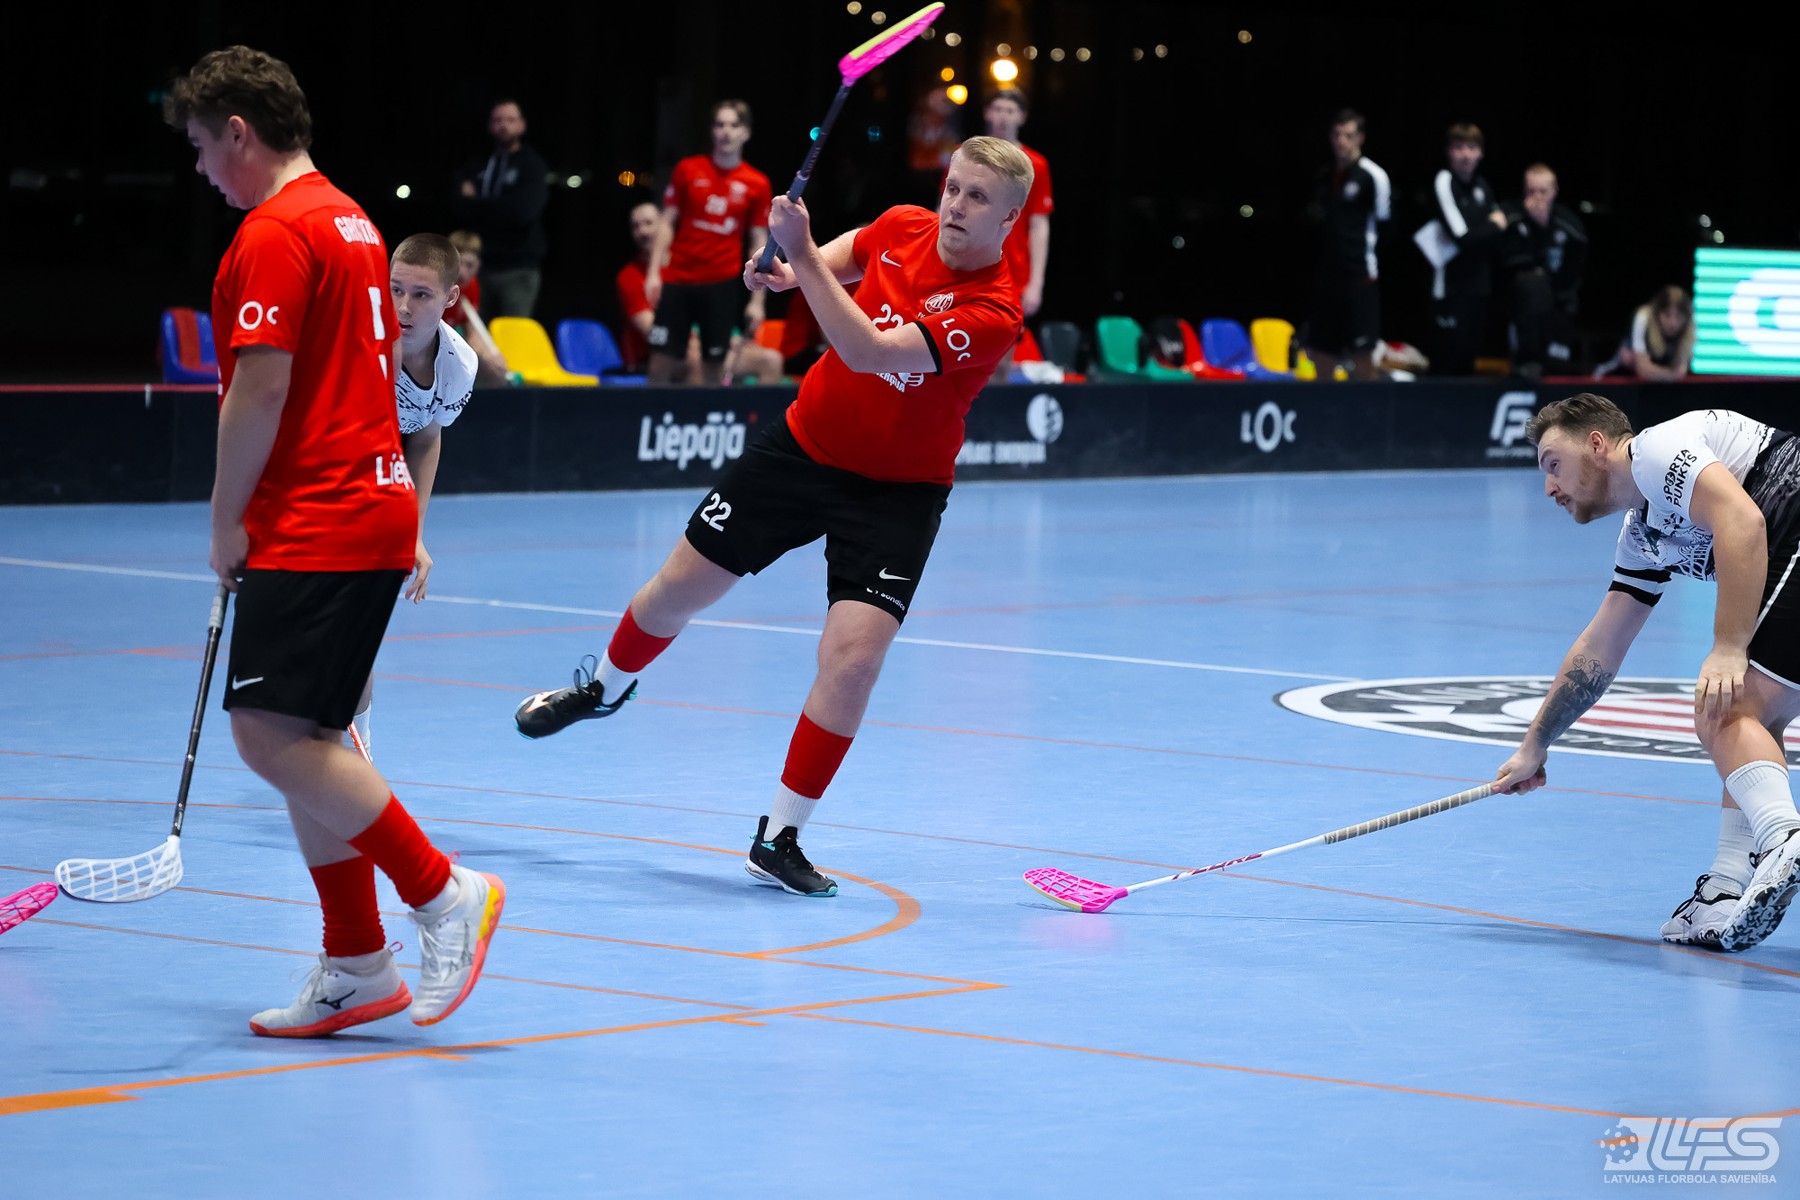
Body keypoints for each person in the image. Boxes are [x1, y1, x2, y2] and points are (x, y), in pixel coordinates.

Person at [512, 136, 1033, 896]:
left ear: (1010, 218)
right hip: (802, 448)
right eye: (953, 187)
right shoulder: (901, 225)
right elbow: (833, 261)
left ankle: (780, 837)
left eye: (977, 197)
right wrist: (786, 267)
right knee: (676, 590)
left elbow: (867, 350)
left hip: (897, 494)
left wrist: (803, 256)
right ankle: (602, 689)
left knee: (853, 661)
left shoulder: (995, 309)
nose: (955, 205)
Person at [168, 46, 504, 1036]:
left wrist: (226, 516)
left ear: (239, 131)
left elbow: (260, 385)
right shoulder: (353, 219)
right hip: (366, 506)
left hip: (322, 513)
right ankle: (358, 962)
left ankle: (443, 893)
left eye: (202, 146)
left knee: (268, 735)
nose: (201, 168)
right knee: (309, 738)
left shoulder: (277, 229)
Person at [1494, 394, 1800, 952]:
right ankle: (1726, 887)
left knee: (1727, 706)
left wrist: (1728, 646)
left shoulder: (1655, 453)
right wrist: (1535, 745)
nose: (1549, 488)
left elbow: (1743, 520)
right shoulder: (1643, 534)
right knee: (1752, 720)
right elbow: (1601, 646)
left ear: (1596, 444)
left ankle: (1782, 838)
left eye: (1553, 465)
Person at [348, 233, 480, 756]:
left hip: (381, 476)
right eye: (395, 289)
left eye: (421, 295)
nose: (403, 306)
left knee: (358, 625)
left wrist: (414, 532)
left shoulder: (459, 365)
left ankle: (356, 750)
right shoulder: (356, 342)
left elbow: (425, 437)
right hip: (325, 468)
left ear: (450, 298)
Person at [644, 100, 772, 386]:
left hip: (721, 283)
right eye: (720, 124)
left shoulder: (757, 183)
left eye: (733, 125)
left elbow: (758, 240)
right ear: (712, 131)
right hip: (678, 278)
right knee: (661, 359)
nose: (726, 131)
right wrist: (653, 273)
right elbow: (666, 222)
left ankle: (710, 415)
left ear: (746, 132)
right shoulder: (688, 170)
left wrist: (757, 301)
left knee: (715, 364)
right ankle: (654, 414)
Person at [1303, 108, 1391, 382]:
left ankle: (1370, 408)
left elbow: (1386, 226)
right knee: (1321, 354)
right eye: (1337, 135)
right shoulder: (1323, 176)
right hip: (1326, 280)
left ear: (1361, 138)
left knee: (1362, 357)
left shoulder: (1373, 176)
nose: (1342, 141)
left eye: (1349, 135)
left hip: (1359, 278)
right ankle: (1323, 406)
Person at [1424, 122, 1508, 376]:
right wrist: (1492, 226)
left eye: (1471, 148)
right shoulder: (1444, 181)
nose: (1465, 154)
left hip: (1479, 285)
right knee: (1447, 360)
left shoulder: (1482, 185)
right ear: (1449, 152)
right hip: (1449, 286)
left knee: (1468, 361)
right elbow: (1463, 237)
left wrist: (1490, 230)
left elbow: (1495, 234)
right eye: (1459, 147)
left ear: (1480, 152)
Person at [453, 99, 549, 318]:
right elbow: (458, 207)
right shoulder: (477, 164)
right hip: (478, 266)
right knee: (473, 329)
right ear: (490, 125)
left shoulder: (532, 165)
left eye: (510, 120)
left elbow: (523, 212)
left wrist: (477, 201)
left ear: (522, 125)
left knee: (511, 331)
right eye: (498, 120)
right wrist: (503, 204)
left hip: (517, 268)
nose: (503, 125)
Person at [1503, 164, 1588, 378]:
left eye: (1543, 191)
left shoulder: (1568, 224)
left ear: (1555, 191)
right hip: (1523, 309)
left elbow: (1575, 269)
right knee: (1532, 283)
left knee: (1558, 367)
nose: (1537, 198)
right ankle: (1527, 363)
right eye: (1531, 191)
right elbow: (1509, 264)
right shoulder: (1511, 219)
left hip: (1560, 305)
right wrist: (1537, 226)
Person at [446, 228, 510, 386]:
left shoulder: (472, 286)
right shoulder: (438, 285)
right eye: (458, 263)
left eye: (469, 265)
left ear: (478, 266)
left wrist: (489, 355)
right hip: (425, 347)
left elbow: (472, 330)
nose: (462, 272)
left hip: (446, 346)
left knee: (494, 372)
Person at [1593, 286, 1695, 381]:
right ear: (1657, 313)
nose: (1673, 323)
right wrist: (1673, 375)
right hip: (1612, 379)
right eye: (1667, 315)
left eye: (1678, 317)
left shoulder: (1689, 327)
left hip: (1652, 387)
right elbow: (1643, 370)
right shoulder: (1643, 317)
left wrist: (1668, 373)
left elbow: (1681, 371)